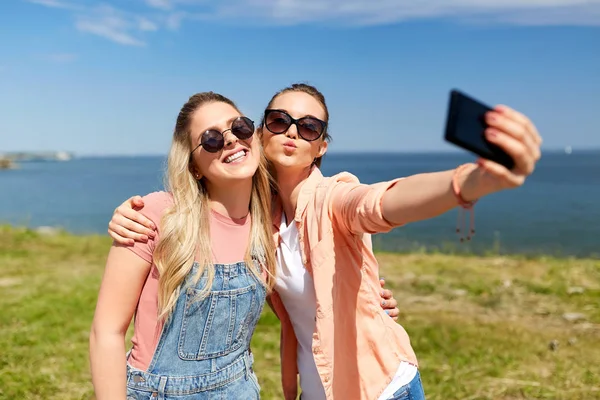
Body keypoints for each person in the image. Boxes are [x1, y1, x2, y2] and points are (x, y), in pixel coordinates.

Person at [109, 83, 542, 400]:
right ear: (260, 133)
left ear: (321, 147)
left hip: (377, 386)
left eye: (309, 126)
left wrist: (470, 181)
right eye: (279, 121)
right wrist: (129, 215)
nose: (293, 132)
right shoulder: (261, 215)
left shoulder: (334, 197)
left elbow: (379, 203)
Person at [89, 92, 279, 400]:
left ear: (254, 136)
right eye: (212, 139)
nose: (230, 139)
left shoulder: (268, 224)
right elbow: (106, 333)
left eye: (239, 127)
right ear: (194, 167)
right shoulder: (155, 215)